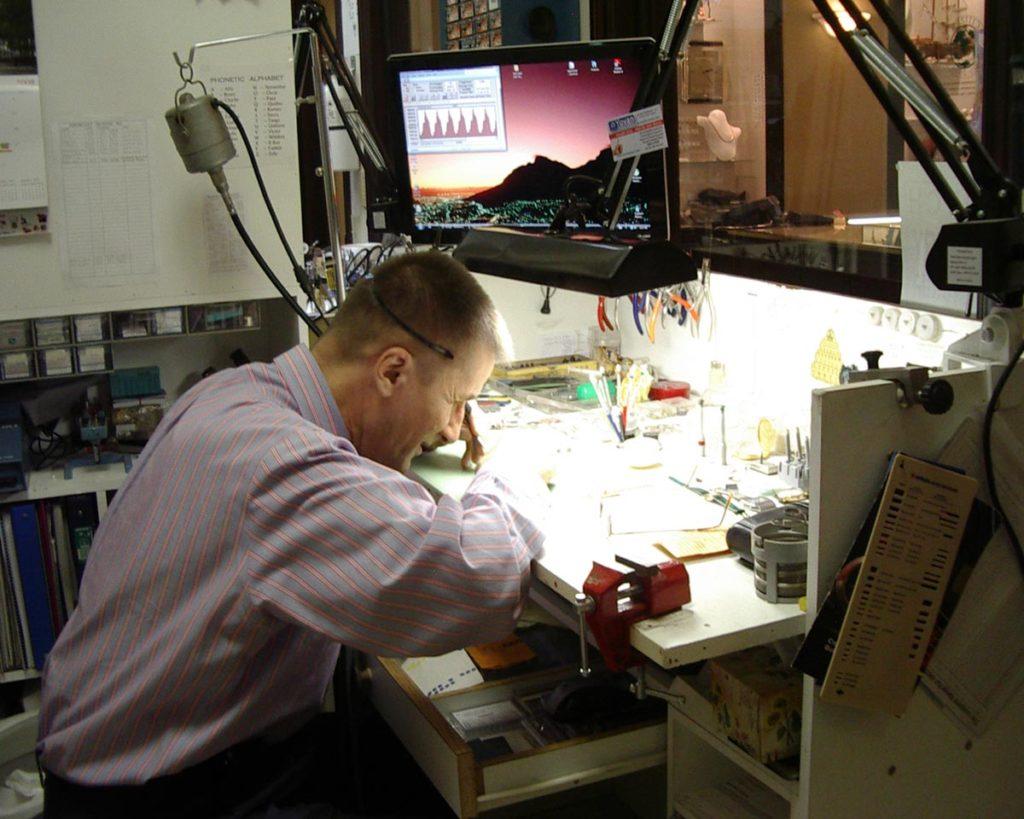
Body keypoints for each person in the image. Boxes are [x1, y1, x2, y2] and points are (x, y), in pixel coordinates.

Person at [37, 251, 549, 818]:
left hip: (115, 767)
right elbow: (476, 580)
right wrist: (512, 469)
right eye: (456, 402)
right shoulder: (285, 465)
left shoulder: (234, 391)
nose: (454, 430)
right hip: (160, 799)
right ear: (392, 371)